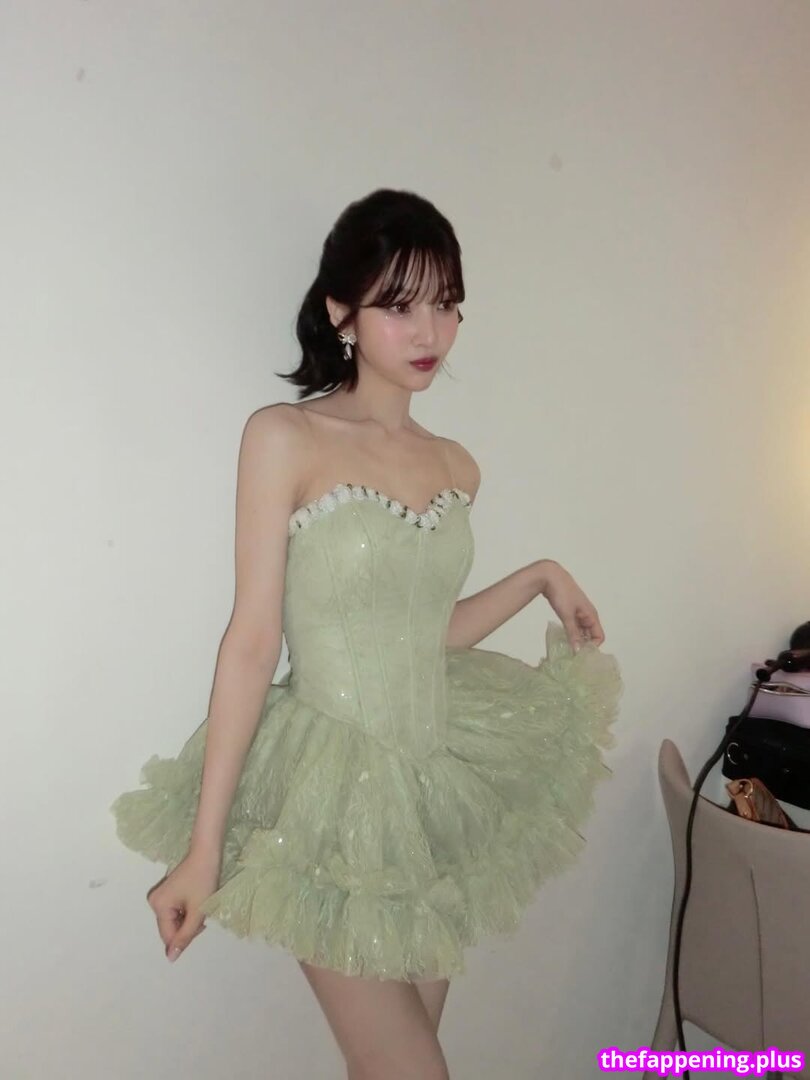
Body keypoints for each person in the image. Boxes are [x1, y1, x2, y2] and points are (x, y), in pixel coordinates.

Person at [110, 188, 623, 1079]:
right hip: (332, 799)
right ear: (340, 312)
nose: (430, 330)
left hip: (427, 799)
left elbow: (425, 634)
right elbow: (252, 643)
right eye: (400, 305)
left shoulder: (456, 466)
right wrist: (204, 849)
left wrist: (539, 576)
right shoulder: (285, 437)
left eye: (446, 303)